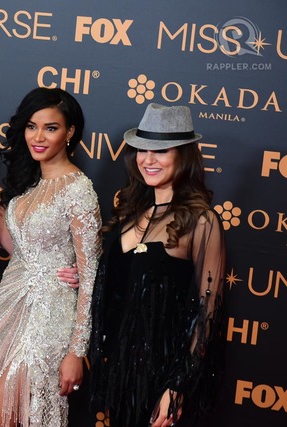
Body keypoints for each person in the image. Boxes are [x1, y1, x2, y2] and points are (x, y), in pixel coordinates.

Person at [89, 103, 225, 427]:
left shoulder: (201, 221)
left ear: (184, 155)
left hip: (163, 374)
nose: (148, 160)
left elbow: (209, 312)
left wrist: (177, 386)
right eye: (142, 149)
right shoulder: (131, 213)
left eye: (160, 151)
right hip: (121, 374)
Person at [0, 87, 102, 427]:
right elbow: (18, 247)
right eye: (32, 126)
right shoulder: (27, 184)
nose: (38, 136)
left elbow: (89, 279)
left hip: (48, 321)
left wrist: (77, 351)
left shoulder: (78, 189)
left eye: (51, 128)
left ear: (70, 131)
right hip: (9, 312)